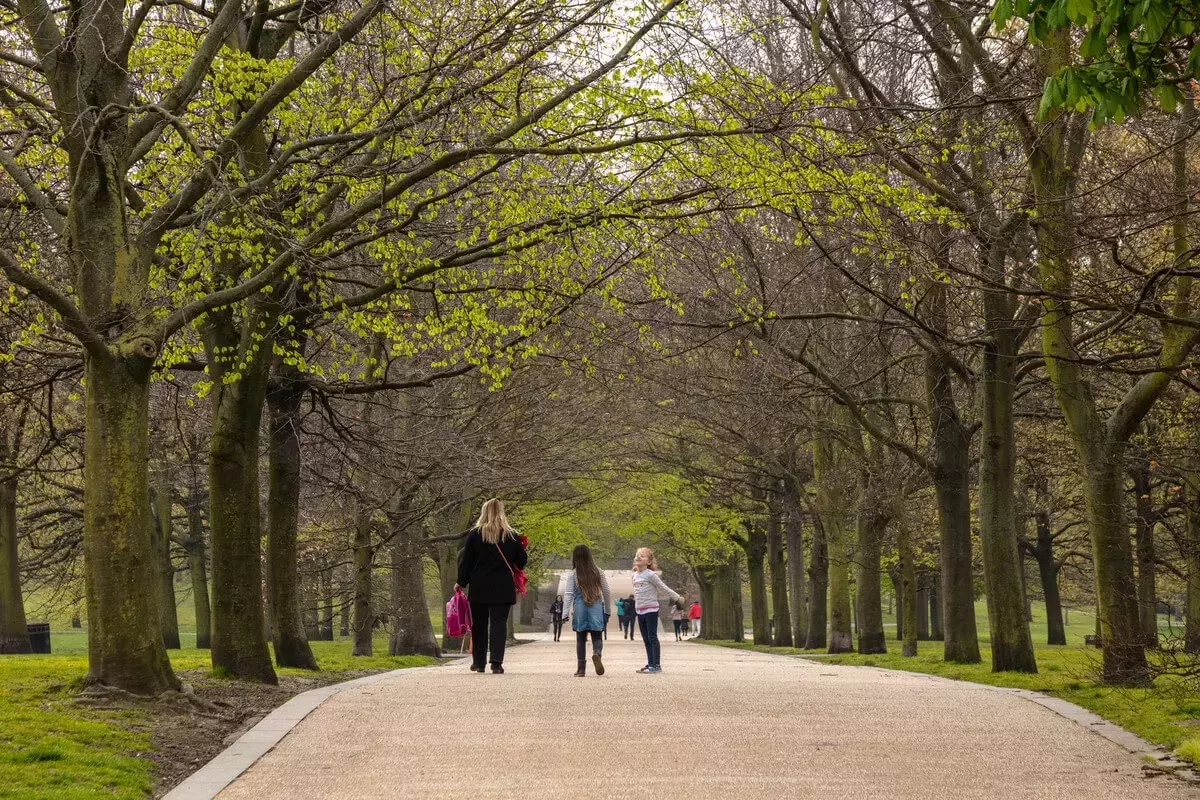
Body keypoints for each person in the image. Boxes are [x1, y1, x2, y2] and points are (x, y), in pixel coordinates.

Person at [454, 498, 528, 674]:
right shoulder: (511, 535)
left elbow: (467, 562)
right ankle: (496, 662)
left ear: (484, 512)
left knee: (479, 625)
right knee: (499, 624)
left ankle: (479, 663)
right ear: (501, 512)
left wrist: (461, 582)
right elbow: (522, 562)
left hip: (480, 585)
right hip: (502, 586)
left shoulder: (475, 534)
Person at [561, 544, 611, 677]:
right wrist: (607, 610)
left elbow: (568, 593)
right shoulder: (598, 571)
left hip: (580, 608)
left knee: (581, 638)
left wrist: (564, 613)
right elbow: (606, 591)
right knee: (597, 636)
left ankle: (581, 669)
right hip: (595, 608)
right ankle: (597, 653)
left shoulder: (573, 574)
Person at [631, 547, 681, 673]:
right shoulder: (634, 575)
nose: (638, 557)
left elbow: (663, 587)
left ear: (648, 562)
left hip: (651, 610)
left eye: (642, 556)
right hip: (640, 610)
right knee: (645, 638)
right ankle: (650, 663)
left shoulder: (651, 575)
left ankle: (656, 665)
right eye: (637, 555)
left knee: (652, 637)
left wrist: (677, 597)